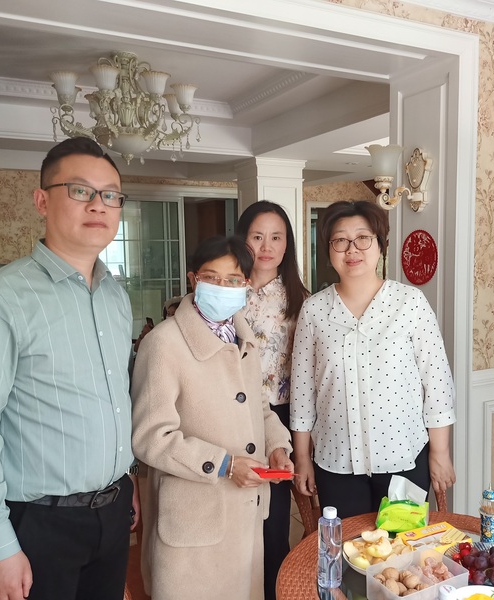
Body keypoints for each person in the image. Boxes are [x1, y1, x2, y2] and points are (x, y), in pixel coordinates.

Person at [0, 137, 140, 600]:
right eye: (80, 190)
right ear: (42, 201)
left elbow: (114, 400)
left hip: (113, 511)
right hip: (39, 522)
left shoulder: (115, 296)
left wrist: (125, 479)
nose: (98, 205)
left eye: (110, 194)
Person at [131, 235, 293, 600]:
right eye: (211, 277)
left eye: (233, 280)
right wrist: (224, 464)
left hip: (244, 512)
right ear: (193, 279)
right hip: (194, 520)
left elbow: (259, 407)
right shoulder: (164, 343)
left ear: (246, 284)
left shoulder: (244, 339)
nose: (222, 287)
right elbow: (150, 436)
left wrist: (277, 446)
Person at [290, 200, 456, 519]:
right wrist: (302, 457)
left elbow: (436, 382)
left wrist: (440, 452)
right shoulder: (314, 311)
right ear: (328, 249)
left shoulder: (409, 303)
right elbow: (302, 391)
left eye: (363, 238)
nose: (352, 249)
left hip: (403, 458)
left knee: (403, 546)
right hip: (336, 462)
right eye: (340, 240)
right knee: (347, 546)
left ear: (380, 245)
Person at [236, 201, 309, 600]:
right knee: (233, 517)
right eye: (257, 236)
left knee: (272, 520)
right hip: (230, 415)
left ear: (287, 244)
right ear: (242, 239)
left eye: (276, 237)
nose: (266, 247)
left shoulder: (302, 301)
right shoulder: (226, 291)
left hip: (278, 419)